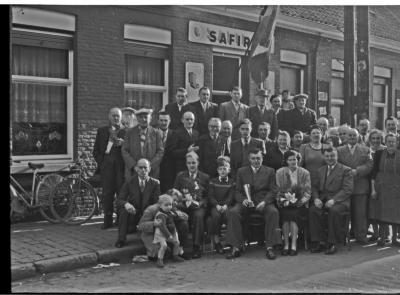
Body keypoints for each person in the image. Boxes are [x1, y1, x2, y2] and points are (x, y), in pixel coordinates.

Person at [225, 148, 281, 260]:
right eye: (253, 158)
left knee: (273, 212)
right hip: (246, 202)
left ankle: (270, 247)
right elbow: (237, 191)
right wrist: (242, 200)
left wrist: (265, 202)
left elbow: (273, 190)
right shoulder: (241, 171)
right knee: (233, 212)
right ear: (249, 159)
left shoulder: (270, 171)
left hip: (263, 201)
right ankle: (236, 247)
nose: (256, 161)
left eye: (258, 158)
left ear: (262, 158)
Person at [309, 147, 353, 255]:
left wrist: (334, 200)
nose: (330, 158)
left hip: (340, 201)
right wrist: (316, 199)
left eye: (332, 155)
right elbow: (314, 187)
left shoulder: (346, 170)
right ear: (324, 157)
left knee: (334, 211)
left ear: (337, 156)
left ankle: (332, 243)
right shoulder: (321, 170)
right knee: (313, 210)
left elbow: (347, 189)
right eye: (327, 156)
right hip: (323, 199)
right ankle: (319, 241)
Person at [337, 128, 373, 244]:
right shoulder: (339, 150)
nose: (352, 137)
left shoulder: (366, 150)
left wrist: (357, 171)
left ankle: (361, 236)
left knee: (361, 213)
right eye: (350, 135)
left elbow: (369, 165)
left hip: (360, 186)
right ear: (346, 137)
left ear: (358, 137)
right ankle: (342, 236)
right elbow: (336, 165)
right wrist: (348, 172)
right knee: (343, 213)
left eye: (354, 136)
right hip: (345, 187)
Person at [115, 159, 161, 248]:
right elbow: (119, 199)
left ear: (150, 169)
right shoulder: (129, 182)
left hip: (148, 214)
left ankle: (155, 239)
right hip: (134, 213)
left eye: (145, 167)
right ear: (136, 169)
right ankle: (121, 239)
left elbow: (157, 203)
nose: (143, 170)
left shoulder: (155, 183)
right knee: (123, 212)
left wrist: (149, 211)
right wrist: (126, 204)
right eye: (140, 167)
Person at [93, 107, 125, 229]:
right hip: (107, 169)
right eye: (113, 115)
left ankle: (120, 220)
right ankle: (107, 220)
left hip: (120, 169)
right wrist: (102, 163)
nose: (116, 118)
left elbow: (130, 150)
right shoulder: (101, 131)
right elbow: (95, 151)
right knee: (107, 194)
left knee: (121, 194)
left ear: (121, 117)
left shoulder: (126, 132)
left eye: (118, 116)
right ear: (109, 116)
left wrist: (124, 144)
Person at [174, 151, 210, 258]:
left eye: (193, 163)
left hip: (198, 206)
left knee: (198, 216)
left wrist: (200, 203)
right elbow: (175, 193)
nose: (191, 165)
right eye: (189, 163)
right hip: (184, 205)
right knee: (181, 218)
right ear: (186, 164)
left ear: (198, 163)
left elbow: (208, 196)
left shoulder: (205, 177)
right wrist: (184, 199)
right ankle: (181, 248)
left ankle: (196, 246)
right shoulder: (180, 176)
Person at [138, 190, 191, 261]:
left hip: (167, 234)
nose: (175, 203)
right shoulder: (152, 209)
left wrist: (177, 214)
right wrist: (154, 223)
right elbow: (141, 225)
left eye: (176, 201)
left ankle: (179, 251)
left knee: (183, 224)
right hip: (153, 235)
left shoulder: (171, 208)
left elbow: (186, 217)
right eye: (174, 200)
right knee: (165, 252)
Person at [276, 150, 311, 256]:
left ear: (298, 160)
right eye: (290, 160)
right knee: (286, 216)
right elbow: (278, 190)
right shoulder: (280, 172)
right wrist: (282, 200)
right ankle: (286, 244)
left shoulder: (305, 173)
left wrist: (300, 202)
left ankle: (294, 245)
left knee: (294, 215)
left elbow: (308, 192)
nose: (292, 161)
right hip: (285, 203)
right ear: (286, 161)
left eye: (294, 159)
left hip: (299, 204)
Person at [370, 133, 400, 247]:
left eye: (393, 141)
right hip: (381, 187)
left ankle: (394, 239)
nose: (391, 143)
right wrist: (373, 189)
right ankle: (382, 238)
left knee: (396, 214)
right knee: (382, 213)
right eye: (389, 141)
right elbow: (374, 172)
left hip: (397, 188)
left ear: (397, 143)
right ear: (385, 142)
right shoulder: (378, 154)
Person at [122, 108, 164, 180]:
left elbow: (160, 151)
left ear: (150, 119)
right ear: (137, 119)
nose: (143, 119)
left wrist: (149, 166)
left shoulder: (156, 133)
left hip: (151, 172)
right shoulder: (130, 132)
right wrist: (134, 166)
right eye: (141, 117)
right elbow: (125, 151)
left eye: (145, 117)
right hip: (133, 172)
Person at [206, 156, 235, 254]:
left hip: (227, 206)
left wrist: (226, 205)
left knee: (229, 215)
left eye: (225, 168)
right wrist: (217, 205)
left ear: (229, 170)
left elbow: (231, 196)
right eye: (220, 169)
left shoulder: (231, 182)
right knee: (216, 216)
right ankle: (217, 242)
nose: (223, 171)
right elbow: (210, 196)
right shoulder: (213, 181)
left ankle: (231, 241)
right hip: (216, 206)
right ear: (217, 170)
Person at [366, 129, 388, 243]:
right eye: (373, 138)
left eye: (378, 138)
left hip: (383, 183)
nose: (375, 141)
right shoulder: (366, 151)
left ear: (382, 139)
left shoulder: (386, 150)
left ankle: (385, 235)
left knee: (384, 209)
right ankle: (375, 233)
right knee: (373, 209)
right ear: (370, 139)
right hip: (369, 183)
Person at [152, 194, 185, 267]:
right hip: (162, 233)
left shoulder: (170, 212)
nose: (168, 207)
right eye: (166, 205)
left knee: (177, 242)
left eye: (170, 205)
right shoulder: (161, 215)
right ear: (160, 206)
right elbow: (162, 226)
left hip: (171, 231)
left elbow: (175, 216)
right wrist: (168, 235)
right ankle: (160, 259)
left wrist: (180, 215)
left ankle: (175, 255)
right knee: (163, 246)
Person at [170, 111, 200, 177]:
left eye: (191, 119)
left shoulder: (196, 133)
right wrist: (187, 150)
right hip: (181, 166)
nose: (189, 121)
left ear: (194, 121)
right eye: (187, 119)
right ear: (182, 120)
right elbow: (173, 152)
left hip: (194, 166)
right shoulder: (176, 133)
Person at [158, 111, 175, 193]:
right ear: (158, 121)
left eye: (166, 120)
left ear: (170, 121)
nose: (163, 123)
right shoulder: (152, 133)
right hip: (155, 168)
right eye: (161, 120)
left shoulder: (175, 134)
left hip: (170, 169)